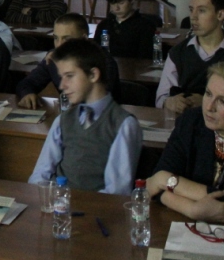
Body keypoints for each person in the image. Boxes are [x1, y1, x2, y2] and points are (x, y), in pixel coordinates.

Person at [146, 59, 224, 221]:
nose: (209, 107)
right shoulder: (191, 121)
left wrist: (166, 181)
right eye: (208, 94)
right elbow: (155, 186)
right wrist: (191, 209)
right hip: (184, 225)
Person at [28, 39, 141, 194]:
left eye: (69, 76)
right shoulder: (62, 120)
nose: (62, 86)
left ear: (93, 74)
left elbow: (116, 191)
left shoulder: (123, 124)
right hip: (58, 207)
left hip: (96, 212)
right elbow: (40, 175)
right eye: (61, 77)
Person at [156, 0, 224, 113]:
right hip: (184, 125)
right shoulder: (177, 53)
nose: (193, 17)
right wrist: (169, 102)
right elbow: (160, 98)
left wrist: (208, 103)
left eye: (201, 11)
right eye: (191, 10)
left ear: (220, 14)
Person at [16, 13, 122, 109]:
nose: (59, 45)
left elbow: (99, 99)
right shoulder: (54, 58)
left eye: (66, 39)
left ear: (84, 39)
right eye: (56, 38)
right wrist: (27, 94)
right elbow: (26, 83)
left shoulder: (103, 61)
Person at [91, 0, 157, 59]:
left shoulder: (145, 26)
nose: (116, 8)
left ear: (132, 0)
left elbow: (145, 57)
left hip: (135, 69)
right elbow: (95, 53)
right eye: (112, 3)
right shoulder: (104, 25)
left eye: (121, 3)